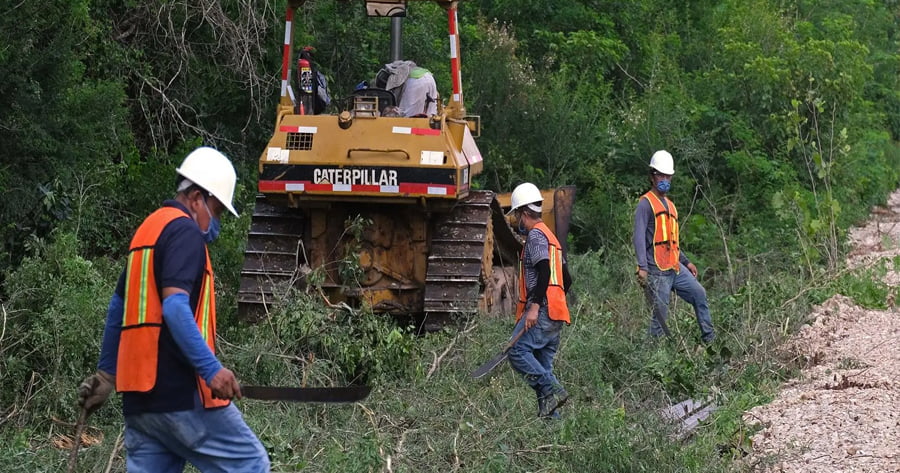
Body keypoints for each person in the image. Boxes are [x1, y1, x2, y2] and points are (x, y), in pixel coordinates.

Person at [77, 147, 271, 472]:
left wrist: (106, 375)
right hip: (181, 395)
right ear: (196, 198)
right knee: (250, 464)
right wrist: (212, 371)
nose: (217, 222)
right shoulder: (184, 232)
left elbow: (118, 309)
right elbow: (175, 309)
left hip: (141, 404)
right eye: (218, 210)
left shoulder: (147, 232)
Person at [632, 150, 715, 344]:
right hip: (656, 271)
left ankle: (710, 341)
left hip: (675, 268)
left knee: (699, 294)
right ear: (652, 176)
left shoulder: (670, 205)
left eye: (668, 176)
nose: (665, 179)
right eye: (661, 175)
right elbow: (638, 237)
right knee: (659, 320)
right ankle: (652, 359)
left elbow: (671, 240)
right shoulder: (646, 204)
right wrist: (642, 267)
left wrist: (686, 261)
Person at [506, 182, 573, 419]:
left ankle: (554, 389)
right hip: (557, 313)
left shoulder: (535, 236)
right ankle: (553, 429)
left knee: (517, 351)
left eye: (516, 215)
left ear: (525, 213)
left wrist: (534, 308)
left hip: (542, 311)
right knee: (543, 368)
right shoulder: (552, 238)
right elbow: (567, 279)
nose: (516, 221)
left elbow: (544, 271)